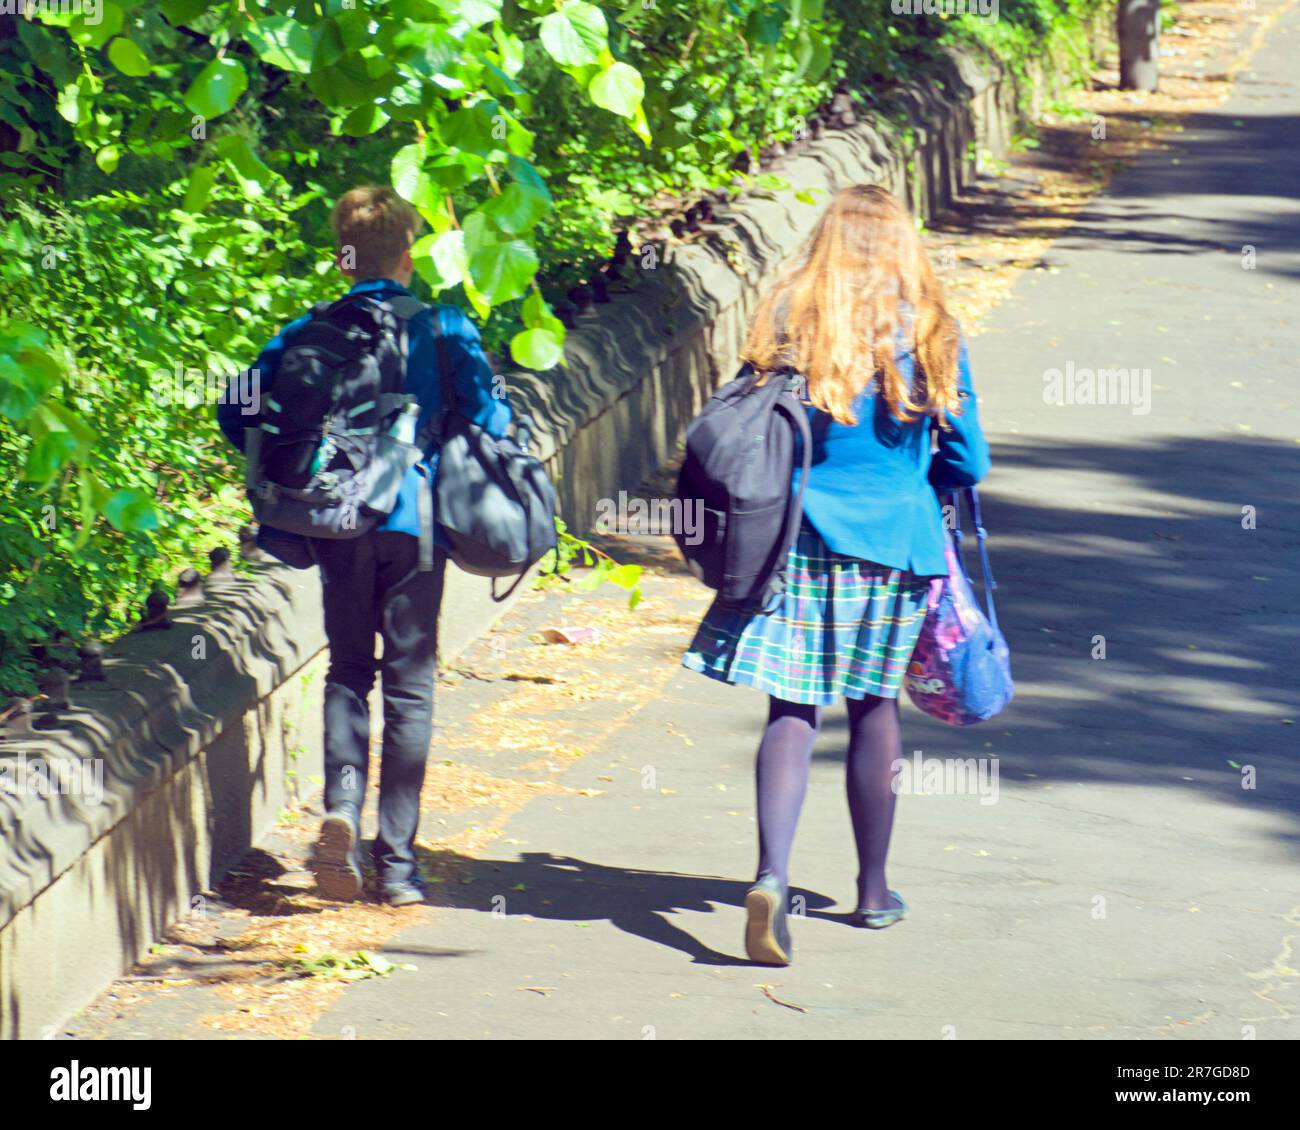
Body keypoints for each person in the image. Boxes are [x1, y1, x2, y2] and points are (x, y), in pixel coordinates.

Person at [682, 185, 990, 964]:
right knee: (872, 711)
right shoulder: (929, 328)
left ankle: (770, 876)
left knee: (791, 709)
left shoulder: (791, 315)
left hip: (798, 541)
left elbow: (759, 425)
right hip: (896, 546)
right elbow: (969, 460)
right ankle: (874, 891)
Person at [217, 186, 511, 906]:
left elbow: (237, 407)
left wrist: (297, 466)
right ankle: (399, 866)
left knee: (349, 669)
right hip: (414, 529)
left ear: (342, 254)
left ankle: (341, 810)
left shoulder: (308, 329)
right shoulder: (443, 327)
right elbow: (491, 419)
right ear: (408, 253)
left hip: (337, 527)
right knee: (411, 686)